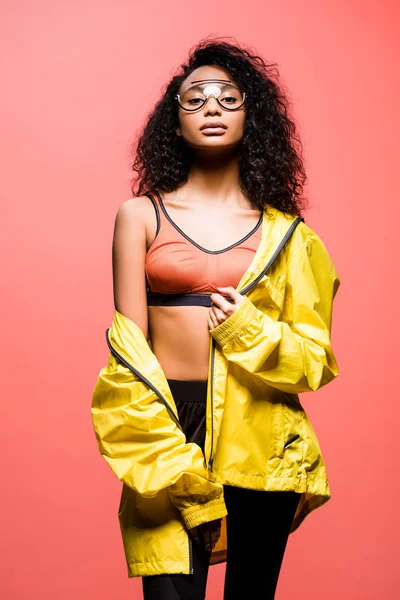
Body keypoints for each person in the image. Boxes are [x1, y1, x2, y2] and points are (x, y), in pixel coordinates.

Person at [91, 38, 341, 600]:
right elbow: (128, 355)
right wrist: (173, 463)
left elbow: (315, 362)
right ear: (173, 121)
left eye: (229, 98)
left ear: (254, 120)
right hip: (166, 427)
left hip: (260, 435)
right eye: (194, 98)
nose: (211, 107)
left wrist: (246, 330)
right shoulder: (139, 216)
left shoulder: (290, 235)